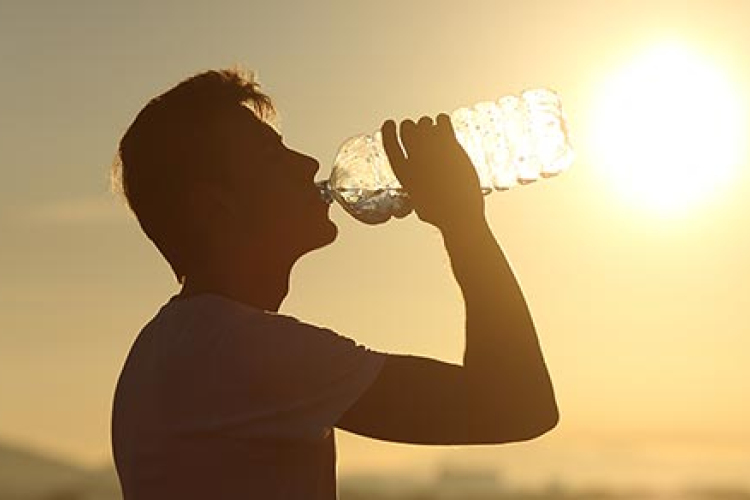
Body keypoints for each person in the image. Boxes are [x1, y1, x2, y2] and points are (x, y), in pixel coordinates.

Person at [110, 68, 559, 500]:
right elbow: (515, 405)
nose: (307, 163)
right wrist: (463, 223)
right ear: (215, 208)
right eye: (272, 157)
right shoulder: (234, 351)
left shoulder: (171, 348)